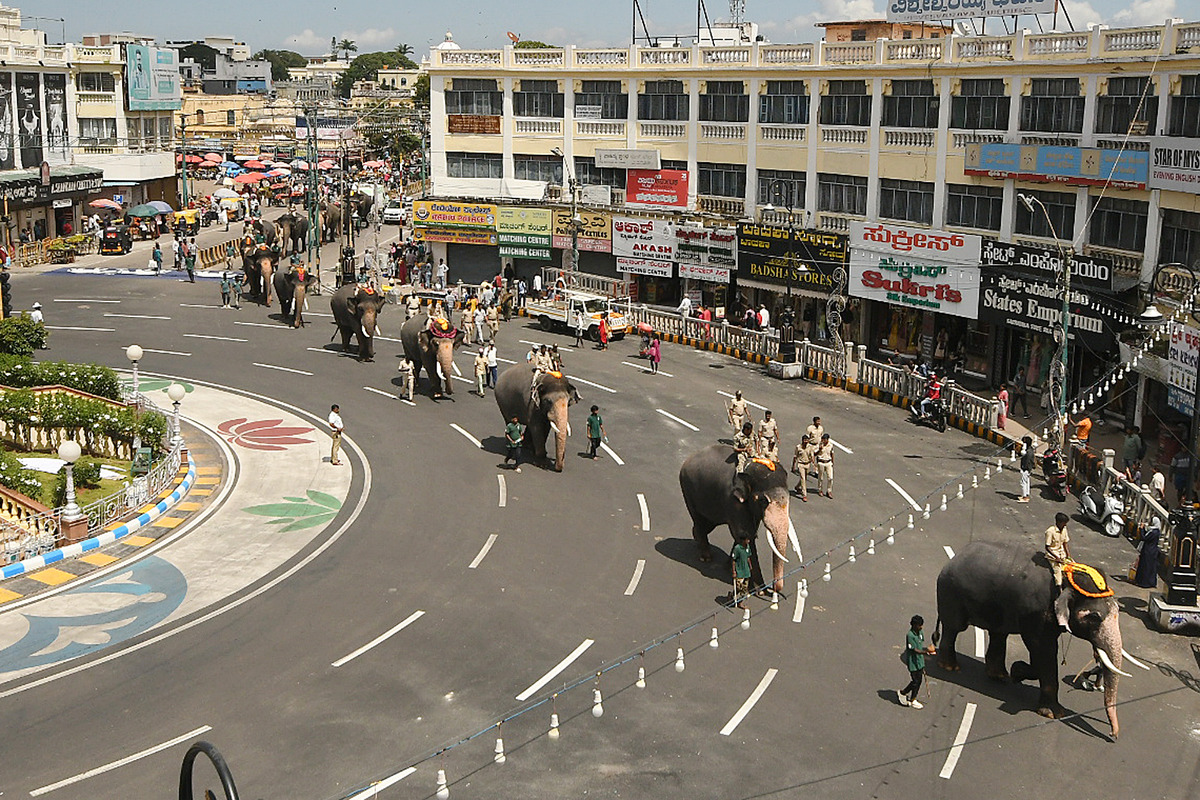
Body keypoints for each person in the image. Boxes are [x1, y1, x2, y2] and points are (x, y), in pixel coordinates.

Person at [898, 615, 936, 709]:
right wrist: (926, 651)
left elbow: (921, 644)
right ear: (914, 625)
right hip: (913, 662)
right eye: (919, 625)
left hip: (920, 661)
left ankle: (910, 697)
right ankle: (905, 694)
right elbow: (915, 650)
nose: (921, 627)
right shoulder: (910, 635)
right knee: (916, 681)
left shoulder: (920, 632)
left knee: (918, 681)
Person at [1133, 518, 1162, 589]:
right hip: (1152, 551)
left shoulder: (1154, 532)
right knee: (1150, 567)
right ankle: (1150, 582)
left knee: (1146, 567)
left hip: (1148, 551)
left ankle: (1144, 582)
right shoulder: (1155, 531)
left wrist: (1141, 529)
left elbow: (1144, 537)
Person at [1045, 512, 1072, 588]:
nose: (1065, 525)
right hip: (1053, 555)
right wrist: (1056, 558)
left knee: (1073, 565)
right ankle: (1059, 591)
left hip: (1062, 553)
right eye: (1064, 523)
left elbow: (1065, 543)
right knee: (1058, 573)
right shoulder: (1050, 531)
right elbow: (1047, 547)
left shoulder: (1064, 529)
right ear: (1058, 522)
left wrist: (1068, 555)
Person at [729, 533, 752, 610]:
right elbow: (733, 560)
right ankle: (732, 595)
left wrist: (750, 566)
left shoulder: (748, 547)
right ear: (743, 540)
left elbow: (748, 557)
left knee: (745, 588)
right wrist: (734, 571)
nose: (748, 541)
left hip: (746, 571)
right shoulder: (737, 548)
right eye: (747, 540)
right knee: (739, 587)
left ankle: (740, 602)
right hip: (739, 571)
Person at [791, 434, 814, 501]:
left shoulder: (810, 447)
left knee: (804, 478)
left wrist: (813, 461)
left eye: (807, 440)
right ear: (802, 440)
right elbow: (795, 457)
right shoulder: (798, 447)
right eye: (805, 440)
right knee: (803, 478)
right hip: (801, 464)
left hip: (807, 464)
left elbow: (812, 455)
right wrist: (793, 466)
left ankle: (797, 486)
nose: (806, 441)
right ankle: (804, 495)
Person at [815, 433, 835, 498]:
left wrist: (832, 462)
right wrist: (819, 449)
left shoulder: (830, 445)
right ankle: (820, 490)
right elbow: (815, 454)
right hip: (821, 462)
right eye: (822, 439)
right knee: (820, 478)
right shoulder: (819, 445)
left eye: (825, 439)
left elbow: (832, 453)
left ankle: (829, 491)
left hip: (828, 462)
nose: (823, 441)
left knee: (830, 478)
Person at [1018, 435, 1035, 503]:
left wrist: (1024, 468)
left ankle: (1024, 496)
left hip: (1026, 469)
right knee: (1027, 481)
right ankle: (1026, 494)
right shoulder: (1029, 450)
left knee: (1023, 482)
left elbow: (1027, 461)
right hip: (1028, 469)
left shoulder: (1028, 452)